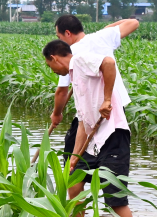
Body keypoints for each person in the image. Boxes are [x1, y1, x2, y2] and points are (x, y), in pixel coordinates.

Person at [42, 39, 135, 217]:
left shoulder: (80, 61)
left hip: (113, 135)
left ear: (54, 58)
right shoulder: (75, 77)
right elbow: (84, 122)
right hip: (93, 142)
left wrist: (107, 99)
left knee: (115, 198)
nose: (54, 72)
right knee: (74, 184)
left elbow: (108, 63)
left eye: (51, 67)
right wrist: (75, 156)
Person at [51, 15, 139, 164]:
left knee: (75, 163)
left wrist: (56, 114)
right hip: (114, 110)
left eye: (59, 37)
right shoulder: (103, 36)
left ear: (67, 33)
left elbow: (62, 91)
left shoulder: (69, 53)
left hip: (90, 113)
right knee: (111, 162)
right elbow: (134, 23)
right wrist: (108, 29)